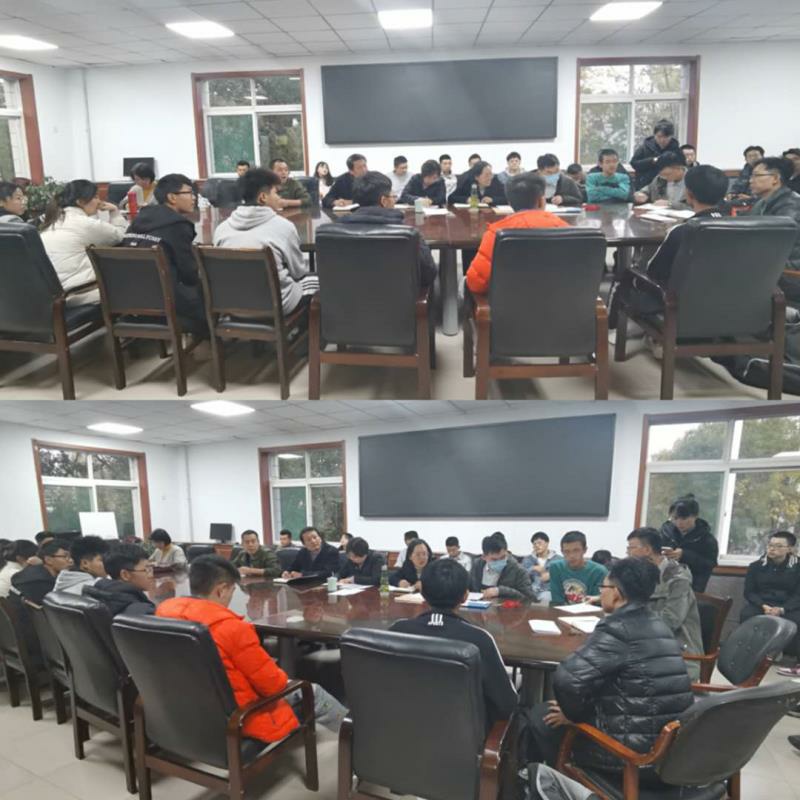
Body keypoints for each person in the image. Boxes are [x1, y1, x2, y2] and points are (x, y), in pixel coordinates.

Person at [525, 558, 693, 775]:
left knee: (541, 715)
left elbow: (567, 679)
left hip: (631, 758)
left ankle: (564, 779)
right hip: (671, 751)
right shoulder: (658, 623)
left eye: (603, 587)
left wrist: (574, 716)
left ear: (617, 593)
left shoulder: (617, 628)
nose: (600, 592)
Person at [156, 555, 346, 739]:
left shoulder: (164, 614)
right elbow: (274, 686)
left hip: (190, 707)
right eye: (232, 591)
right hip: (241, 717)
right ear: (221, 590)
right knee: (313, 692)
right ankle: (355, 738)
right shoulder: (231, 628)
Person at [391, 558, 518, 727]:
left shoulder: (397, 630)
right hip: (464, 735)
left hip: (400, 727)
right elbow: (507, 704)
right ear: (465, 596)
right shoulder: (480, 639)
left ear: (422, 593)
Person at [621, 165, 728, 315]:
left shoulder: (681, 232)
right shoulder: (741, 229)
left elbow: (654, 273)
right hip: (730, 304)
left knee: (627, 278)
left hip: (682, 308)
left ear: (688, 193)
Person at [213, 168, 318, 315]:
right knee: (318, 281)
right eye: (275, 193)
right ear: (263, 197)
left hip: (232, 306)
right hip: (275, 306)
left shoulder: (221, 229)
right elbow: (298, 272)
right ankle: (308, 327)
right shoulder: (284, 227)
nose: (279, 197)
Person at [121, 173, 206, 334]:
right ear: (172, 197)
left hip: (132, 300)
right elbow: (189, 273)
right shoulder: (178, 225)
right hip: (166, 301)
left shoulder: (138, 220)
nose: (194, 198)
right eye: (189, 193)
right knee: (210, 292)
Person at [465, 173, 568, 295]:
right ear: (541, 200)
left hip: (509, 303)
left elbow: (476, 283)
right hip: (562, 301)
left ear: (510, 203)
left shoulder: (497, 233)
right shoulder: (566, 229)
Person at [336, 171, 437, 288]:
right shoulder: (407, 233)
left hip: (347, 297)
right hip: (398, 297)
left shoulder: (335, 231)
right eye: (392, 196)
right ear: (384, 201)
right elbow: (428, 273)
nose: (394, 200)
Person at [626, 527, 703, 680]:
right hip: (648, 643)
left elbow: (670, 621)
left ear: (647, 550)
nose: (627, 553)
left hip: (677, 651)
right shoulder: (642, 574)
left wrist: (631, 620)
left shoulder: (678, 579)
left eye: (631, 548)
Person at [39, 179, 127, 305]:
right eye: (95, 197)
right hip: (81, 292)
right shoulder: (83, 223)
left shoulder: (52, 221)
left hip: (55, 295)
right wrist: (114, 212)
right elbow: (120, 236)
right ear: (80, 202)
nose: (99, 201)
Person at [741, 531, 800, 676]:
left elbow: (798, 595)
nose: (772, 549)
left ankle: (795, 661)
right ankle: (748, 656)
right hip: (763, 604)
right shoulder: (756, 566)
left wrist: (782, 609)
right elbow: (749, 592)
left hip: (788, 606)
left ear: (790, 549)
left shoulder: (797, 567)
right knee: (747, 614)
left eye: (778, 546)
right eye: (770, 545)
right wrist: (763, 605)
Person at [747, 156, 800, 298]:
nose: (750, 180)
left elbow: (771, 244)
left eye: (756, 175)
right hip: (772, 266)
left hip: (789, 273)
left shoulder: (792, 206)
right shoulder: (762, 202)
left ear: (775, 178)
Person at [659, 494, 718, 592]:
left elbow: (709, 565)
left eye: (684, 518)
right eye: (675, 518)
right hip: (662, 585)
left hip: (692, 589)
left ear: (695, 516)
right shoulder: (665, 533)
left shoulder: (707, 539)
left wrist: (685, 555)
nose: (679, 523)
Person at [84, 544, 156, 616]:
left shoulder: (101, 595)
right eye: (146, 570)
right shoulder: (143, 612)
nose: (152, 575)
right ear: (125, 575)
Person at [469, 533, 535, 601]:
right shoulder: (477, 566)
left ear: (506, 552)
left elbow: (530, 598)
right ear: (484, 557)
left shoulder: (518, 570)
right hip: (477, 606)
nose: (499, 561)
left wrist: (501, 591)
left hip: (506, 607)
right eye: (494, 560)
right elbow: (468, 588)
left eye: (503, 557)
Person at [548, 531, 607, 605]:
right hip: (563, 610)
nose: (571, 555)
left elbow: (596, 603)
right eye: (566, 551)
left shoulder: (599, 571)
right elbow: (557, 600)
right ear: (562, 551)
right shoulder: (556, 568)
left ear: (585, 550)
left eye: (576, 550)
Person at [10, 539, 72, 604]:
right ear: (48, 560)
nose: (71, 561)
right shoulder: (45, 584)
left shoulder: (30, 573)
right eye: (65, 556)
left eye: (71, 557)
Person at [631, 119, 682, 190]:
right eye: (659, 136)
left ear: (671, 136)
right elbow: (634, 163)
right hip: (645, 186)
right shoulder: (645, 147)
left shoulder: (676, 150)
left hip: (669, 188)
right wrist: (652, 161)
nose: (662, 140)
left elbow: (681, 169)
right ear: (654, 135)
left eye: (666, 137)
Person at [521, 532, 562, 604]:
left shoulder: (558, 560)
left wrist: (552, 575)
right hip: (531, 591)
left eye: (539, 543)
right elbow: (520, 576)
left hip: (548, 591)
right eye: (534, 544)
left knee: (546, 598)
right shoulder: (528, 559)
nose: (537, 546)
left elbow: (565, 575)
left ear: (547, 543)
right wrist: (532, 568)